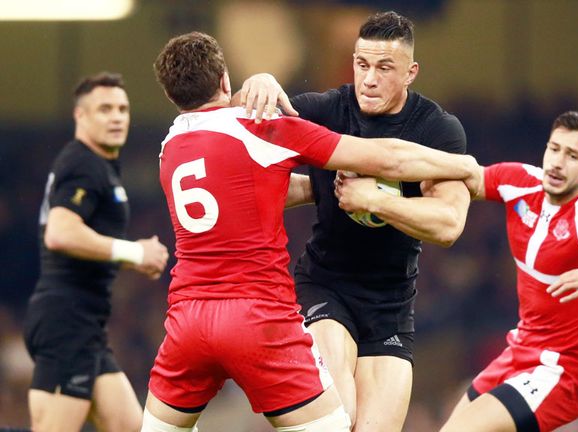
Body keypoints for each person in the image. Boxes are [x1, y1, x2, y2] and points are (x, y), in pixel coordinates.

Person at [144, 31, 478, 432]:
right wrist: (466, 167)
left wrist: (333, 189)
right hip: (259, 315)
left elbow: (257, 187)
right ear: (225, 80)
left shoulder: (169, 145)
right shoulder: (261, 128)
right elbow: (387, 158)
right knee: (335, 425)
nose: (369, 78)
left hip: (187, 320)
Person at [238, 11, 469, 431]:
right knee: (336, 419)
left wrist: (375, 199)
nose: (369, 79)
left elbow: (449, 224)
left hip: (391, 304)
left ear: (411, 73)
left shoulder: (437, 130)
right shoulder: (327, 109)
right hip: (325, 285)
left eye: (384, 68)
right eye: (362, 64)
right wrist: (259, 85)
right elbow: (232, 131)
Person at [415, 111, 578, 432]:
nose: (558, 162)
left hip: (565, 371)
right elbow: (469, 179)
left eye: (572, 156)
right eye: (554, 149)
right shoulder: (521, 182)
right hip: (520, 352)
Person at [22, 72, 170, 432]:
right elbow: (60, 232)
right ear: (81, 116)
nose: (116, 117)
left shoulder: (100, 166)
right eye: (104, 109)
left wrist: (133, 257)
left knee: (128, 426)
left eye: (122, 109)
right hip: (66, 322)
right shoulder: (83, 163)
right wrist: (134, 253)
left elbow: (80, 239)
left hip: (86, 326)